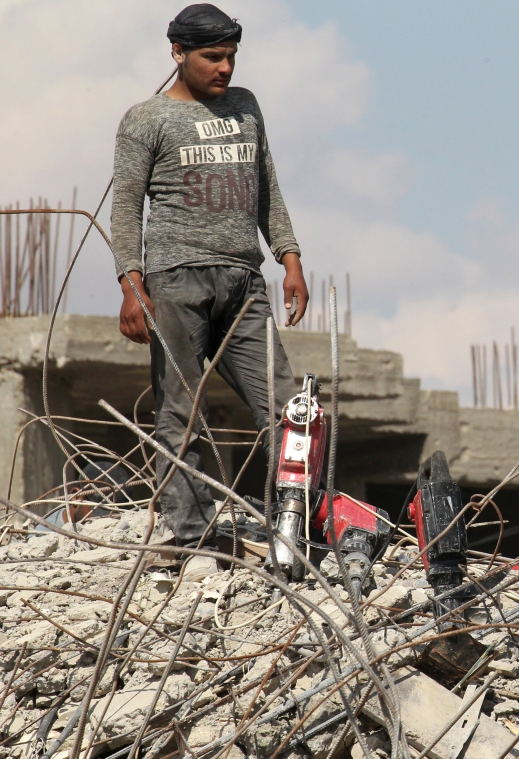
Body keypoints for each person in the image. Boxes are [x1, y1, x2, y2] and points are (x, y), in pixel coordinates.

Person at [111, 4, 306, 581]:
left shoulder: (246, 107)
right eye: (212, 57)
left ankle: (293, 527)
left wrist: (289, 258)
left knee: (287, 407)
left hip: (244, 281)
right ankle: (191, 536)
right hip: (176, 280)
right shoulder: (146, 120)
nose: (224, 67)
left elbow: (266, 184)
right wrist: (132, 285)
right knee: (181, 409)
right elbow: (126, 209)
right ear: (178, 53)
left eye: (231, 57)